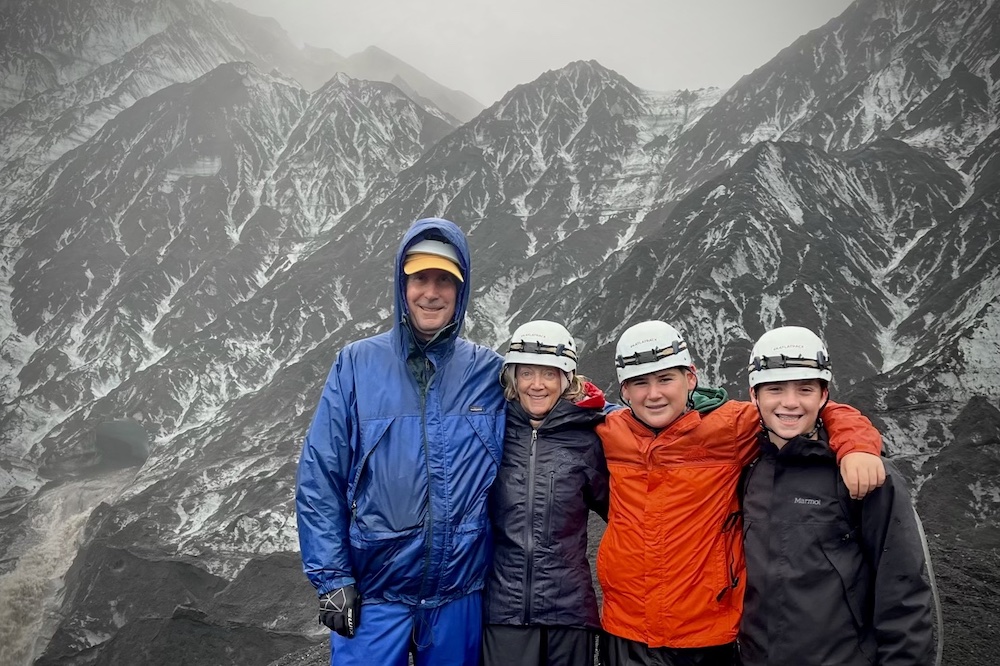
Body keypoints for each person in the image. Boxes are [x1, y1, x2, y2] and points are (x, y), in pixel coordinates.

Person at [596, 320, 887, 666]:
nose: (654, 393)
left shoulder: (730, 427)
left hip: (705, 633)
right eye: (640, 383)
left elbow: (810, 409)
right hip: (625, 628)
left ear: (690, 377)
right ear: (625, 391)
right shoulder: (608, 432)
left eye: (665, 379)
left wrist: (857, 447)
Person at [295, 217, 506, 666]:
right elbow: (320, 476)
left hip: (459, 596)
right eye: (420, 278)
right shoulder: (356, 365)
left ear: (461, 290)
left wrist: (666, 409)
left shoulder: (489, 373)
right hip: (375, 595)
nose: (431, 292)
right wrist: (332, 579)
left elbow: (552, 408)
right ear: (401, 283)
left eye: (445, 280)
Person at [738, 326, 934, 665]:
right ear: (754, 395)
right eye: (775, 389)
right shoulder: (744, 465)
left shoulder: (865, 475)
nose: (790, 402)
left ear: (823, 396)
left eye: (804, 389)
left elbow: (904, 592)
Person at [482, 320, 609, 666]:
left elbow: (626, 513)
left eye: (549, 374)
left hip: (569, 614)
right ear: (512, 378)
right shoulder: (491, 432)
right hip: (502, 614)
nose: (537, 385)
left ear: (566, 379)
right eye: (526, 373)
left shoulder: (590, 438)